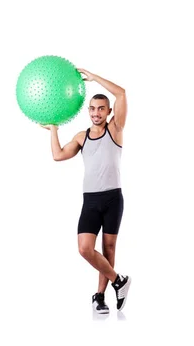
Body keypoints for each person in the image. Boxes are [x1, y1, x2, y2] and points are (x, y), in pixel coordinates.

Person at [43, 68, 131, 314]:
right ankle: (119, 280)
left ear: (108, 111)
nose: (96, 112)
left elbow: (122, 94)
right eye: (92, 108)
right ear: (88, 111)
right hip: (90, 200)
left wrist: (93, 77)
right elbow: (58, 155)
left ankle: (100, 296)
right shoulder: (82, 137)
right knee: (84, 248)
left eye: (101, 108)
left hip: (113, 198)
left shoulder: (115, 130)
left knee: (109, 249)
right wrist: (53, 130)